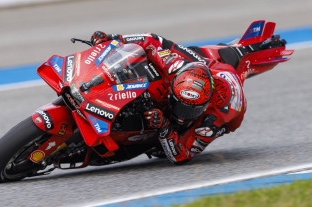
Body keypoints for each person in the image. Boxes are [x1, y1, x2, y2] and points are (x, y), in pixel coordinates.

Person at [91, 31, 247, 164]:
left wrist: (164, 127)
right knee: (162, 52)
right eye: (179, 106)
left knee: (161, 149)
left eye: (188, 111)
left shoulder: (213, 120)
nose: (181, 114)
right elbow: (150, 40)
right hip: (209, 67)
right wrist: (114, 39)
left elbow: (182, 156)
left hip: (230, 112)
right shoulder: (174, 66)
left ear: (205, 106)